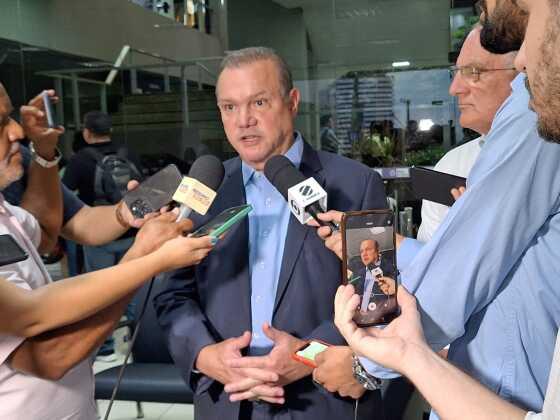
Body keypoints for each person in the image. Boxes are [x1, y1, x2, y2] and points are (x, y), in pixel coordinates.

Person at [314, 1, 560, 415]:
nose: (522, 61)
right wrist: (396, 245)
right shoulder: (459, 161)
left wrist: (367, 362)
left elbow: (465, 269)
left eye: (474, 72)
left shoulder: (533, 109)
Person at [154, 47, 388, 419]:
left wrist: (306, 355)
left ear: (292, 102)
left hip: (320, 396)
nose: (243, 120)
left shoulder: (355, 184)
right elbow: (172, 293)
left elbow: (375, 297)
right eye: (229, 107)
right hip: (227, 398)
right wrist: (205, 355)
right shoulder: (203, 190)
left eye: (258, 102)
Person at [0, 82, 214, 419]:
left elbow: (45, 230)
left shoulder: (9, 210)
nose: (16, 130)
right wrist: (146, 257)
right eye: (0, 123)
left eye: (10, 116)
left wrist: (123, 214)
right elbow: (45, 347)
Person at [417, 26, 518, 241]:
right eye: (456, 73)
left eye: (473, 72)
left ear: (522, 72)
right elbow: (434, 264)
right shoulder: (451, 166)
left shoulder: (549, 156)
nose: (454, 89)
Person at [62, 110, 143, 360]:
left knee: (101, 292)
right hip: (130, 232)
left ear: (86, 133)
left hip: (100, 236)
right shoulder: (126, 154)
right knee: (130, 289)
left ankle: (106, 348)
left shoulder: (79, 160)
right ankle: (133, 342)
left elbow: (64, 195)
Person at [347, 239, 396, 325]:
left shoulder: (392, 269)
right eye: (361, 251)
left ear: (378, 251)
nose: (364, 254)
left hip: (385, 322)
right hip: (360, 323)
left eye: (368, 249)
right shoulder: (356, 274)